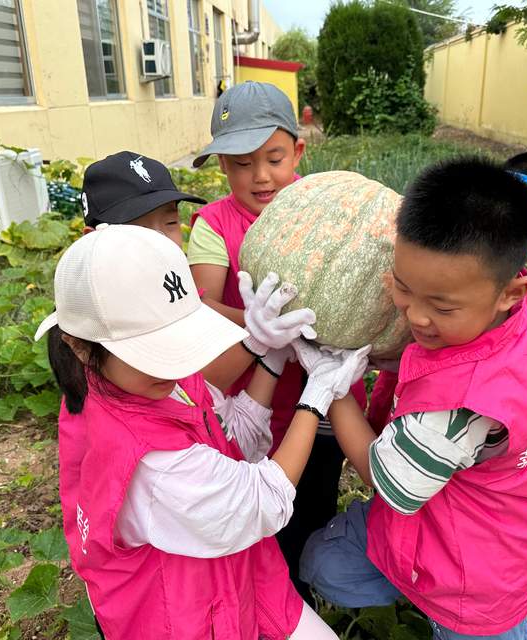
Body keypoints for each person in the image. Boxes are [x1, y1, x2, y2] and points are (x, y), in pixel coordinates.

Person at [35, 224, 370, 638]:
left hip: (239, 571)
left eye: (178, 341)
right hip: (185, 613)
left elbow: (231, 441)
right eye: (153, 351)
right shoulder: (147, 460)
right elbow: (259, 500)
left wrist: (269, 350)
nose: (175, 365)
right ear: (80, 346)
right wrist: (315, 396)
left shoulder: (144, 381)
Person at [299, 157, 527, 639]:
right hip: (421, 532)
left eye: (440, 306)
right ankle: (409, 584)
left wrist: (330, 388)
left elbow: (381, 473)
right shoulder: (490, 317)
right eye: (402, 286)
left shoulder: (468, 408)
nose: (415, 317)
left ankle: (446, 612)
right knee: (322, 562)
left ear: (509, 292)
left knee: (470, 623)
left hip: (474, 577)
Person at [187, 80, 367, 599]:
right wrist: (259, 326)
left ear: (298, 152)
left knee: (308, 513)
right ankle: (259, 610)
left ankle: (298, 604)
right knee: (255, 526)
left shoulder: (331, 204)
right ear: (222, 166)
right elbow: (201, 307)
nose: (260, 176)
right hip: (253, 410)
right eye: (241, 164)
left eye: (273, 158)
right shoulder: (213, 225)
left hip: (326, 403)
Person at [367, 148, 527, 433]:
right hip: (408, 384)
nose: (417, 316)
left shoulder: (467, 396)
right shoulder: (434, 264)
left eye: (443, 306)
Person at [80, 150, 206, 245]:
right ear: (91, 239)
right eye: (139, 231)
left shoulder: (184, 277)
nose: (161, 239)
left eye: (171, 222)